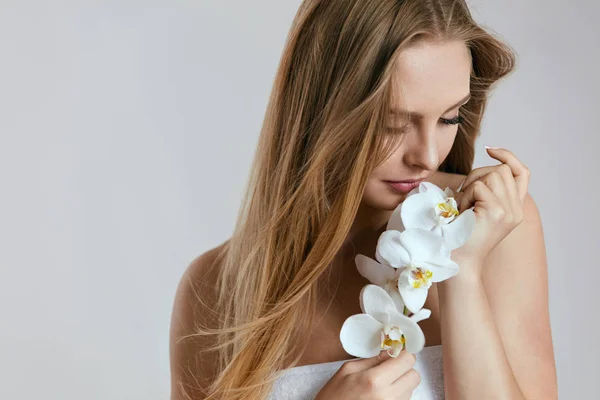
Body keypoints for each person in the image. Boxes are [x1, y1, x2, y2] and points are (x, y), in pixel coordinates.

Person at [169, 0, 558, 399]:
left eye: (449, 118)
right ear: (320, 112)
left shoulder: (497, 227)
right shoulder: (216, 287)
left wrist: (463, 268)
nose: (425, 156)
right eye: (392, 125)